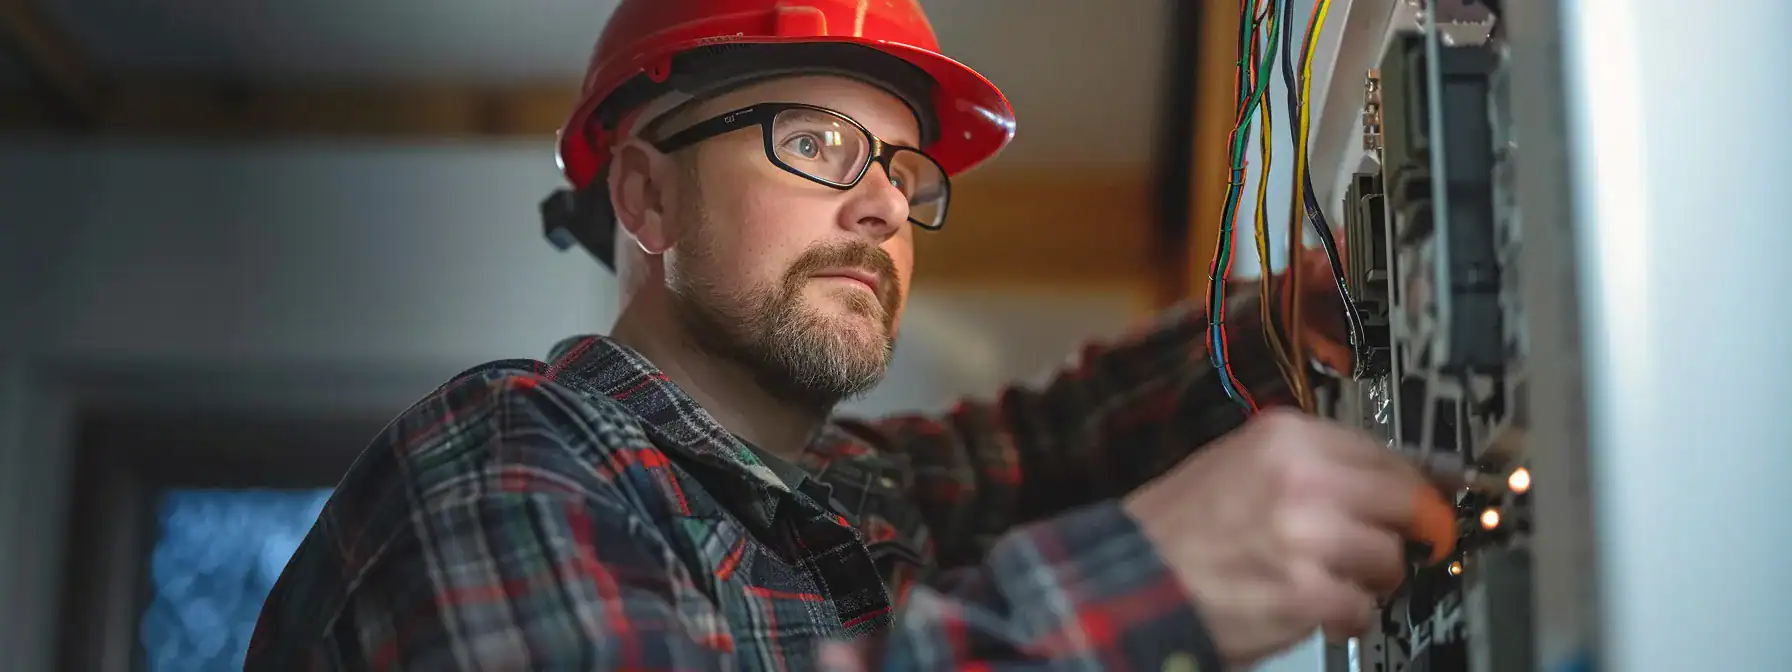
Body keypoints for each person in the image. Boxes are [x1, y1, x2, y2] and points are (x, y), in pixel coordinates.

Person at [247, 1, 1454, 669]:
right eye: (817, 144)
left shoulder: (840, 496)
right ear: (646, 199)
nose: (884, 202)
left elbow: (1041, 446)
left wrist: (1272, 330)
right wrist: (1145, 585)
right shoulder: (501, 461)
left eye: (902, 167)